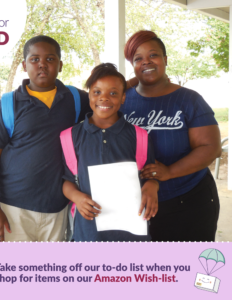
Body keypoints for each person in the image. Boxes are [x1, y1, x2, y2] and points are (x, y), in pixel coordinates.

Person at [0, 35, 91, 242]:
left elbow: (106, 98)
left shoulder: (76, 99)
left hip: (57, 206)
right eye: (34, 59)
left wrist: (132, 83)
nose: (42, 65)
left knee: (49, 271)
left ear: (60, 65)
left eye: (50, 59)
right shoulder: (8, 104)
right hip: (14, 207)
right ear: (24, 65)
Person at [121, 30, 221, 242]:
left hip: (189, 200)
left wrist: (168, 172)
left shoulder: (189, 100)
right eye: (138, 59)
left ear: (165, 59)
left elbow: (210, 147)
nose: (146, 62)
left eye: (153, 55)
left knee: (190, 268)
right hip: (135, 203)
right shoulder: (120, 100)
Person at [62, 63, 159, 242]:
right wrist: (77, 197)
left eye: (113, 93)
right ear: (89, 95)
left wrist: (152, 185)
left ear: (123, 97)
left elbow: (150, 174)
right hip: (89, 233)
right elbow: (67, 180)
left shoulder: (140, 136)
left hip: (133, 234)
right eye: (97, 92)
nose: (104, 98)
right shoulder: (70, 137)